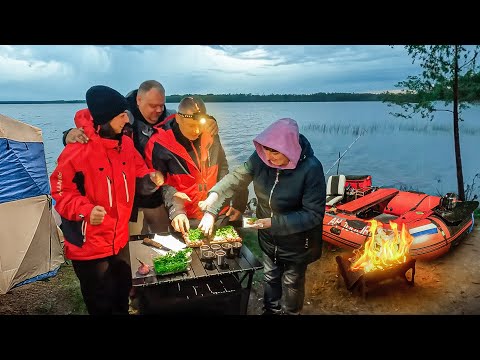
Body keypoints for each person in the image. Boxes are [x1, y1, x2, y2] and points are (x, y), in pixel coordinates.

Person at [50, 85, 179, 315]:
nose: (126, 119)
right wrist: (86, 210)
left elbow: (138, 168)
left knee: (121, 295)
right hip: (89, 246)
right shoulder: (78, 149)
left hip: (118, 239)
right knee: (101, 304)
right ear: (105, 118)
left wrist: (150, 177)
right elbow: (61, 192)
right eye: (121, 115)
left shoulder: (125, 144)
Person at [198, 118, 326, 315]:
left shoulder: (311, 169)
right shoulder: (261, 158)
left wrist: (273, 223)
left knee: (292, 281)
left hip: (298, 242)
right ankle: (270, 310)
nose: (268, 156)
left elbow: (313, 214)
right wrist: (214, 196)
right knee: (270, 276)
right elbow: (236, 178)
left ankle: (292, 312)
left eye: (274, 151)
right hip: (268, 237)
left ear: (290, 148)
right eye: (265, 149)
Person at [62, 80, 218, 234]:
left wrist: (210, 121)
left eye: (161, 105)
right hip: (128, 193)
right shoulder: (121, 115)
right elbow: (94, 123)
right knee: (130, 239)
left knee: (163, 238)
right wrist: (68, 134)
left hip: (156, 190)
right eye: (153, 106)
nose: (158, 110)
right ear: (139, 100)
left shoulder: (168, 117)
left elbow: (188, 121)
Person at [144, 96, 247, 231]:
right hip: (184, 218)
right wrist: (176, 210)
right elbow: (156, 185)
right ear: (178, 118)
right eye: (191, 126)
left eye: (200, 126)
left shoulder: (210, 133)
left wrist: (237, 204)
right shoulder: (159, 143)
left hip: (217, 212)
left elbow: (223, 169)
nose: (196, 131)